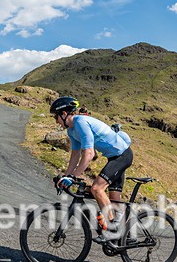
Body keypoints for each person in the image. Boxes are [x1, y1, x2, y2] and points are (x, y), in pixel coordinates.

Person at [50, 96, 133, 244]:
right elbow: (75, 155)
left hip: (122, 156)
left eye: (56, 116)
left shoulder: (80, 122)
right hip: (114, 158)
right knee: (114, 201)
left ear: (64, 114)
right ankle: (127, 237)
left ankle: (112, 230)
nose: (55, 120)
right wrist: (66, 176)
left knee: (96, 189)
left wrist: (73, 177)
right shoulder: (71, 130)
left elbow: (89, 154)